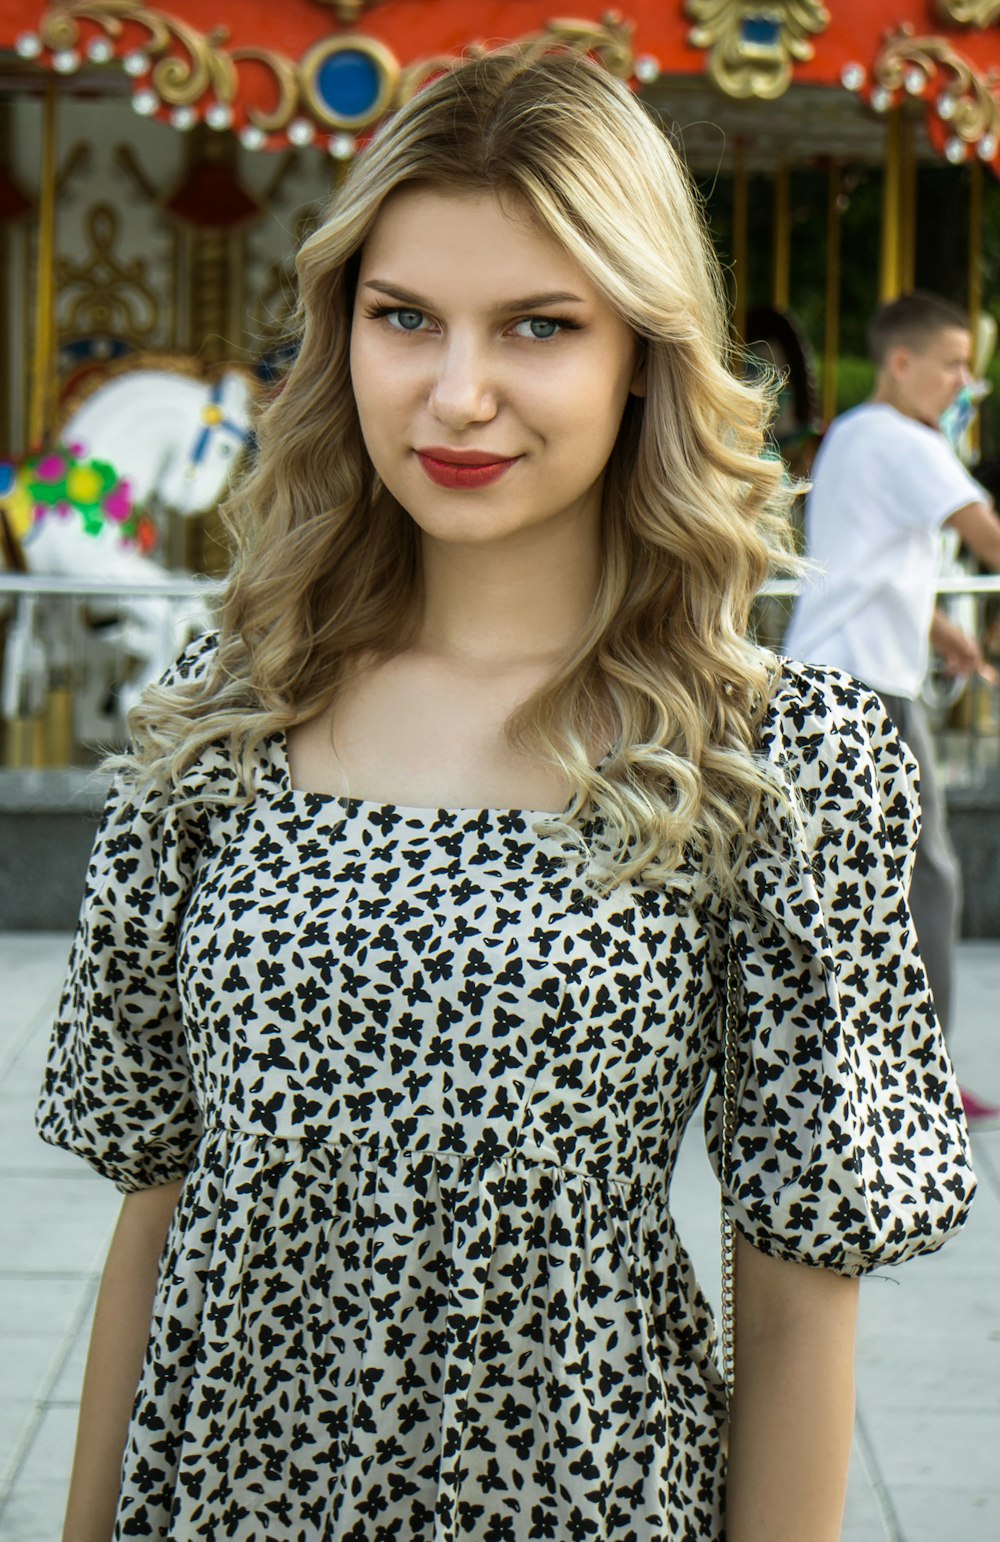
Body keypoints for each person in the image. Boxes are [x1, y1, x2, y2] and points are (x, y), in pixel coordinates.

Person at [36, 52, 976, 1542]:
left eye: (538, 326)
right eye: (404, 316)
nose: (456, 392)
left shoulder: (776, 757)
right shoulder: (226, 709)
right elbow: (158, 1210)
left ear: (642, 356)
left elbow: (799, 1297)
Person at [784, 290, 1000, 1128]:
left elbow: (866, 562)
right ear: (901, 363)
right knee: (929, 879)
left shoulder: (848, 437)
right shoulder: (909, 441)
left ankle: (825, 1070)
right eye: (951, 365)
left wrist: (943, 629)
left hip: (820, 681)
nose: (962, 384)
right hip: (871, 689)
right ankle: (925, 1076)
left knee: (831, 881)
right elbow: (987, 539)